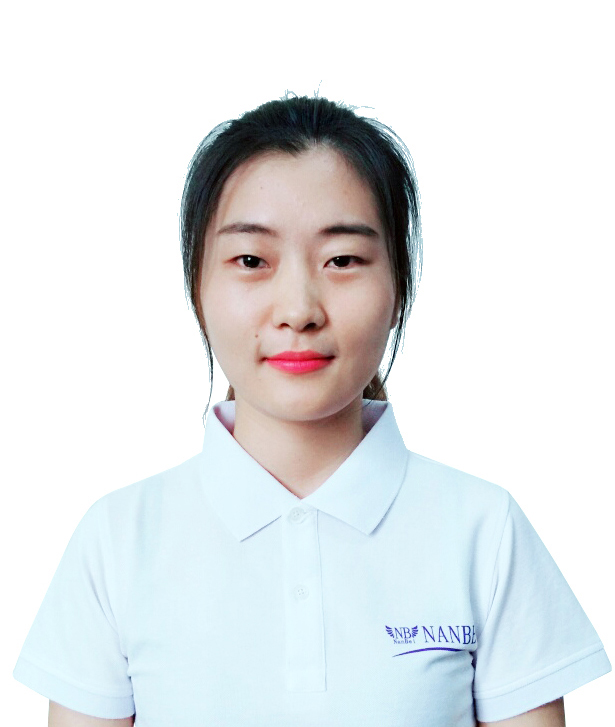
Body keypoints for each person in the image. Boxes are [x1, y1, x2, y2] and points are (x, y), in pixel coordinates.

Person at [13, 93, 611, 726]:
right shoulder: (117, 539)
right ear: (197, 286)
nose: (298, 309)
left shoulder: (485, 532)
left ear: (398, 287)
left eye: (343, 260)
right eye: (251, 261)